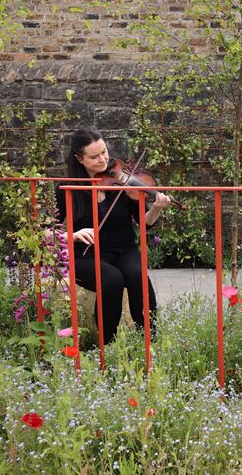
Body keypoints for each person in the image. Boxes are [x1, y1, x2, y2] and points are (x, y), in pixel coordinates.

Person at [55, 127, 172, 343]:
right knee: (111, 279)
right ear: (79, 159)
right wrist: (73, 235)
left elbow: (144, 224)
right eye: (94, 156)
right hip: (85, 256)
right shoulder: (68, 189)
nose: (103, 159)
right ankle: (106, 344)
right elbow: (45, 231)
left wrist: (156, 207)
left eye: (104, 152)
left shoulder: (124, 183)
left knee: (137, 275)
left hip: (123, 250)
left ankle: (149, 339)